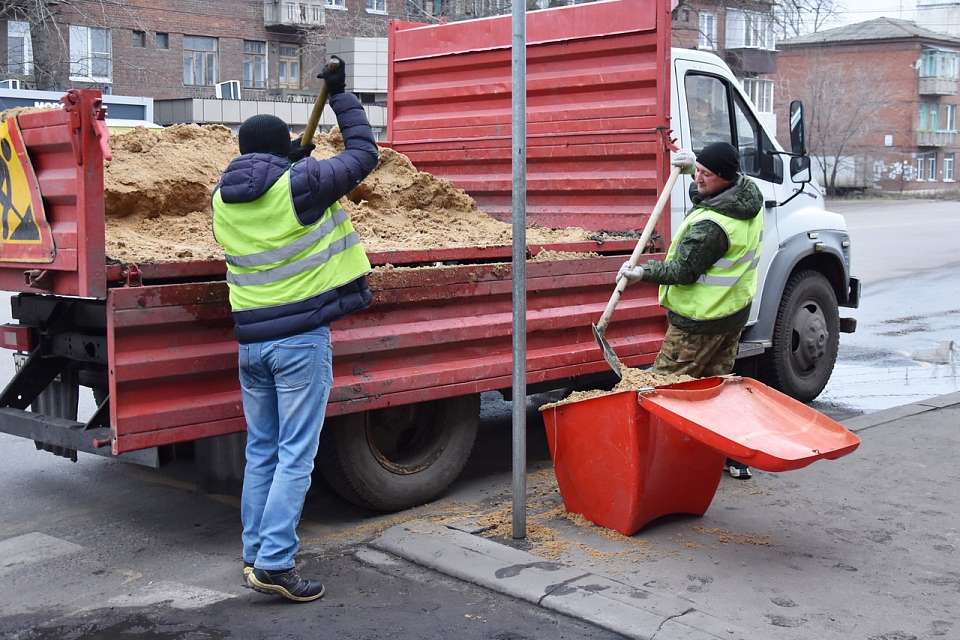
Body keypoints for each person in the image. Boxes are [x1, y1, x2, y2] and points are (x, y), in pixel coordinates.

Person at [211, 56, 379, 602]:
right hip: (299, 343)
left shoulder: (221, 199)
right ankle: (276, 563)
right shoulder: (301, 184)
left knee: (262, 451)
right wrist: (341, 96)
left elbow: (273, 192)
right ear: (281, 149)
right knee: (295, 455)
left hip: (251, 345)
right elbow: (364, 154)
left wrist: (292, 164)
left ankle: (254, 553)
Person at [617, 142, 763, 480]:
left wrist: (643, 273)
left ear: (725, 177)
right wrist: (691, 168)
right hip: (731, 313)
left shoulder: (712, 227)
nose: (699, 178)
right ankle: (731, 456)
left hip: (699, 323)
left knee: (663, 390)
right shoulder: (747, 196)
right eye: (698, 170)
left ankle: (653, 464)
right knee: (716, 389)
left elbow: (683, 271)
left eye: (705, 173)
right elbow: (708, 195)